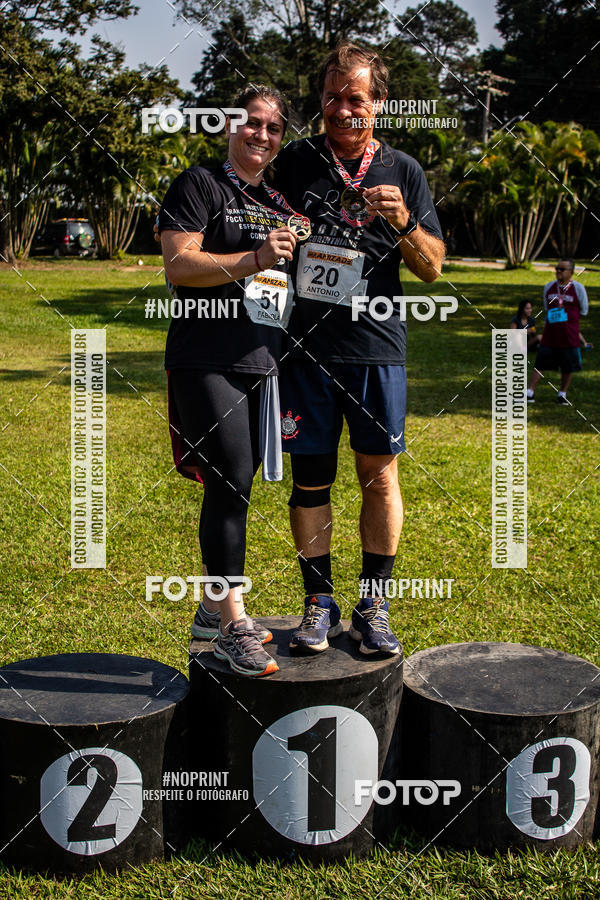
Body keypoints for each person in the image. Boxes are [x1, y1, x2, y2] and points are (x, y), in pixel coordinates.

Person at [272, 43, 445, 657]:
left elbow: (430, 269)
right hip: (305, 350)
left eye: (357, 99)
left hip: (375, 347)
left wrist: (402, 225)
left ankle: (374, 603)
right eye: (332, 99)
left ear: (379, 103)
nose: (343, 110)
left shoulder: (404, 169)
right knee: (311, 479)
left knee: (378, 475)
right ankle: (318, 602)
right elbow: (248, 214)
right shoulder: (293, 162)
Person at [158, 85, 299, 677]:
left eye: (272, 127)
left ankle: (210, 610)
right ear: (229, 126)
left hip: (258, 359)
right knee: (231, 477)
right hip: (203, 357)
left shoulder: (276, 201)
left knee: (235, 481)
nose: (261, 134)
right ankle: (233, 626)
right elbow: (179, 265)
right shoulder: (198, 183)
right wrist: (253, 259)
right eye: (251, 123)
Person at [527, 259, 589, 405]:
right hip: (551, 334)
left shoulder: (578, 288)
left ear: (571, 272)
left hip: (569, 334)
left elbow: (584, 309)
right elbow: (547, 307)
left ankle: (562, 394)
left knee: (568, 365)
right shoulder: (549, 287)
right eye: (557, 269)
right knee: (540, 362)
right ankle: (529, 392)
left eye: (562, 269)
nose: (558, 271)